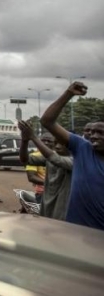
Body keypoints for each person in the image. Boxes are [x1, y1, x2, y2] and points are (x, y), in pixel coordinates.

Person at [40, 82, 104, 230]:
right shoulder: (83, 148)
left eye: (100, 133)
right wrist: (68, 94)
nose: (93, 136)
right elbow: (47, 121)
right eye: (92, 132)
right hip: (74, 230)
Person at [18, 121, 73, 221]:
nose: (57, 146)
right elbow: (24, 160)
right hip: (47, 201)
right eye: (55, 143)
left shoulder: (74, 160)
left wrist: (33, 137)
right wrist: (25, 140)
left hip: (64, 205)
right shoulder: (49, 158)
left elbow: (56, 160)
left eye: (61, 143)